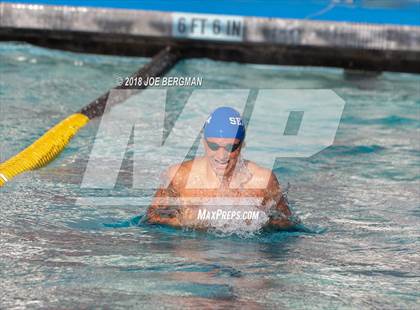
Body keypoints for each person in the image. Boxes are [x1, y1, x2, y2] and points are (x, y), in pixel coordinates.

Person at [146, 106, 296, 230]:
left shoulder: (262, 180)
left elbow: (288, 224)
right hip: (192, 259)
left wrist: (258, 222)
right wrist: (185, 222)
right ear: (204, 143)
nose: (221, 155)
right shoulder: (179, 176)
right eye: (213, 146)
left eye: (230, 147)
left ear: (242, 144)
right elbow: (152, 218)